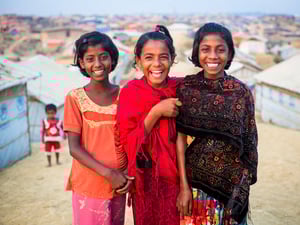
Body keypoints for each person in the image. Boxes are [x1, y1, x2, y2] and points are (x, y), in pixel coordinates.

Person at [176, 22, 258, 225]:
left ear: (230, 54)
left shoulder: (241, 92)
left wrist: (243, 183)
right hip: (194, 186)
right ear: (197, 52)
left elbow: (249, 140)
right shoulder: (186, 88)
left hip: (232, 186)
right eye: (206, 49)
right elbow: (179, 141)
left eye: (220, 50)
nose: (213, 56)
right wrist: (184, 187)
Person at [63, 31, 133, 225]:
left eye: (103, 57)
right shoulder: (75, 98)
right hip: (89, 184)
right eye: (90, 59)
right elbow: (74, 148)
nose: (98, 64)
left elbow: (130, 138)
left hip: (119, 183)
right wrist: (109, 174)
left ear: (112, 59)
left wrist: (124, 174)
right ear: (82, 64)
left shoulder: (125, 95)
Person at [115, 25, 182, 225]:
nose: (157, 64)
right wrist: (156, 112)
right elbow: (128, 142)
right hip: (144, 180)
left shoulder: (181, 88)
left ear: (172, 58)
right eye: (149, 57)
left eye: (163, 56)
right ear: (138, 61)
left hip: (177, 179)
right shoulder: (130, 92)